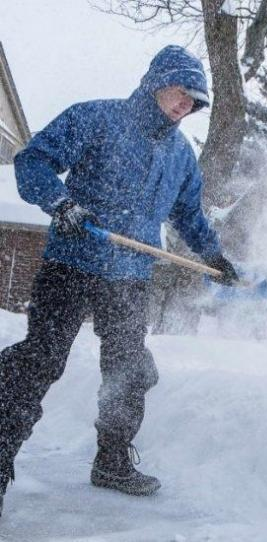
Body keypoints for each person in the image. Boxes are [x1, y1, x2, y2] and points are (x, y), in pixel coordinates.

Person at [0, 45, 238, 517]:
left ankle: (112, 461)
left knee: (129, 370)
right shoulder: (96, 118)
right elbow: (34, 161)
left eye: (193, 101)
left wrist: (214, 255)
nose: (184, 106)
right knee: (41, 360)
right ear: (156, 82)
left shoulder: (181, 155)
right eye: (179, 94)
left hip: (129, 277)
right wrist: (61, 203)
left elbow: (188, 213)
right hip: (73, 261)